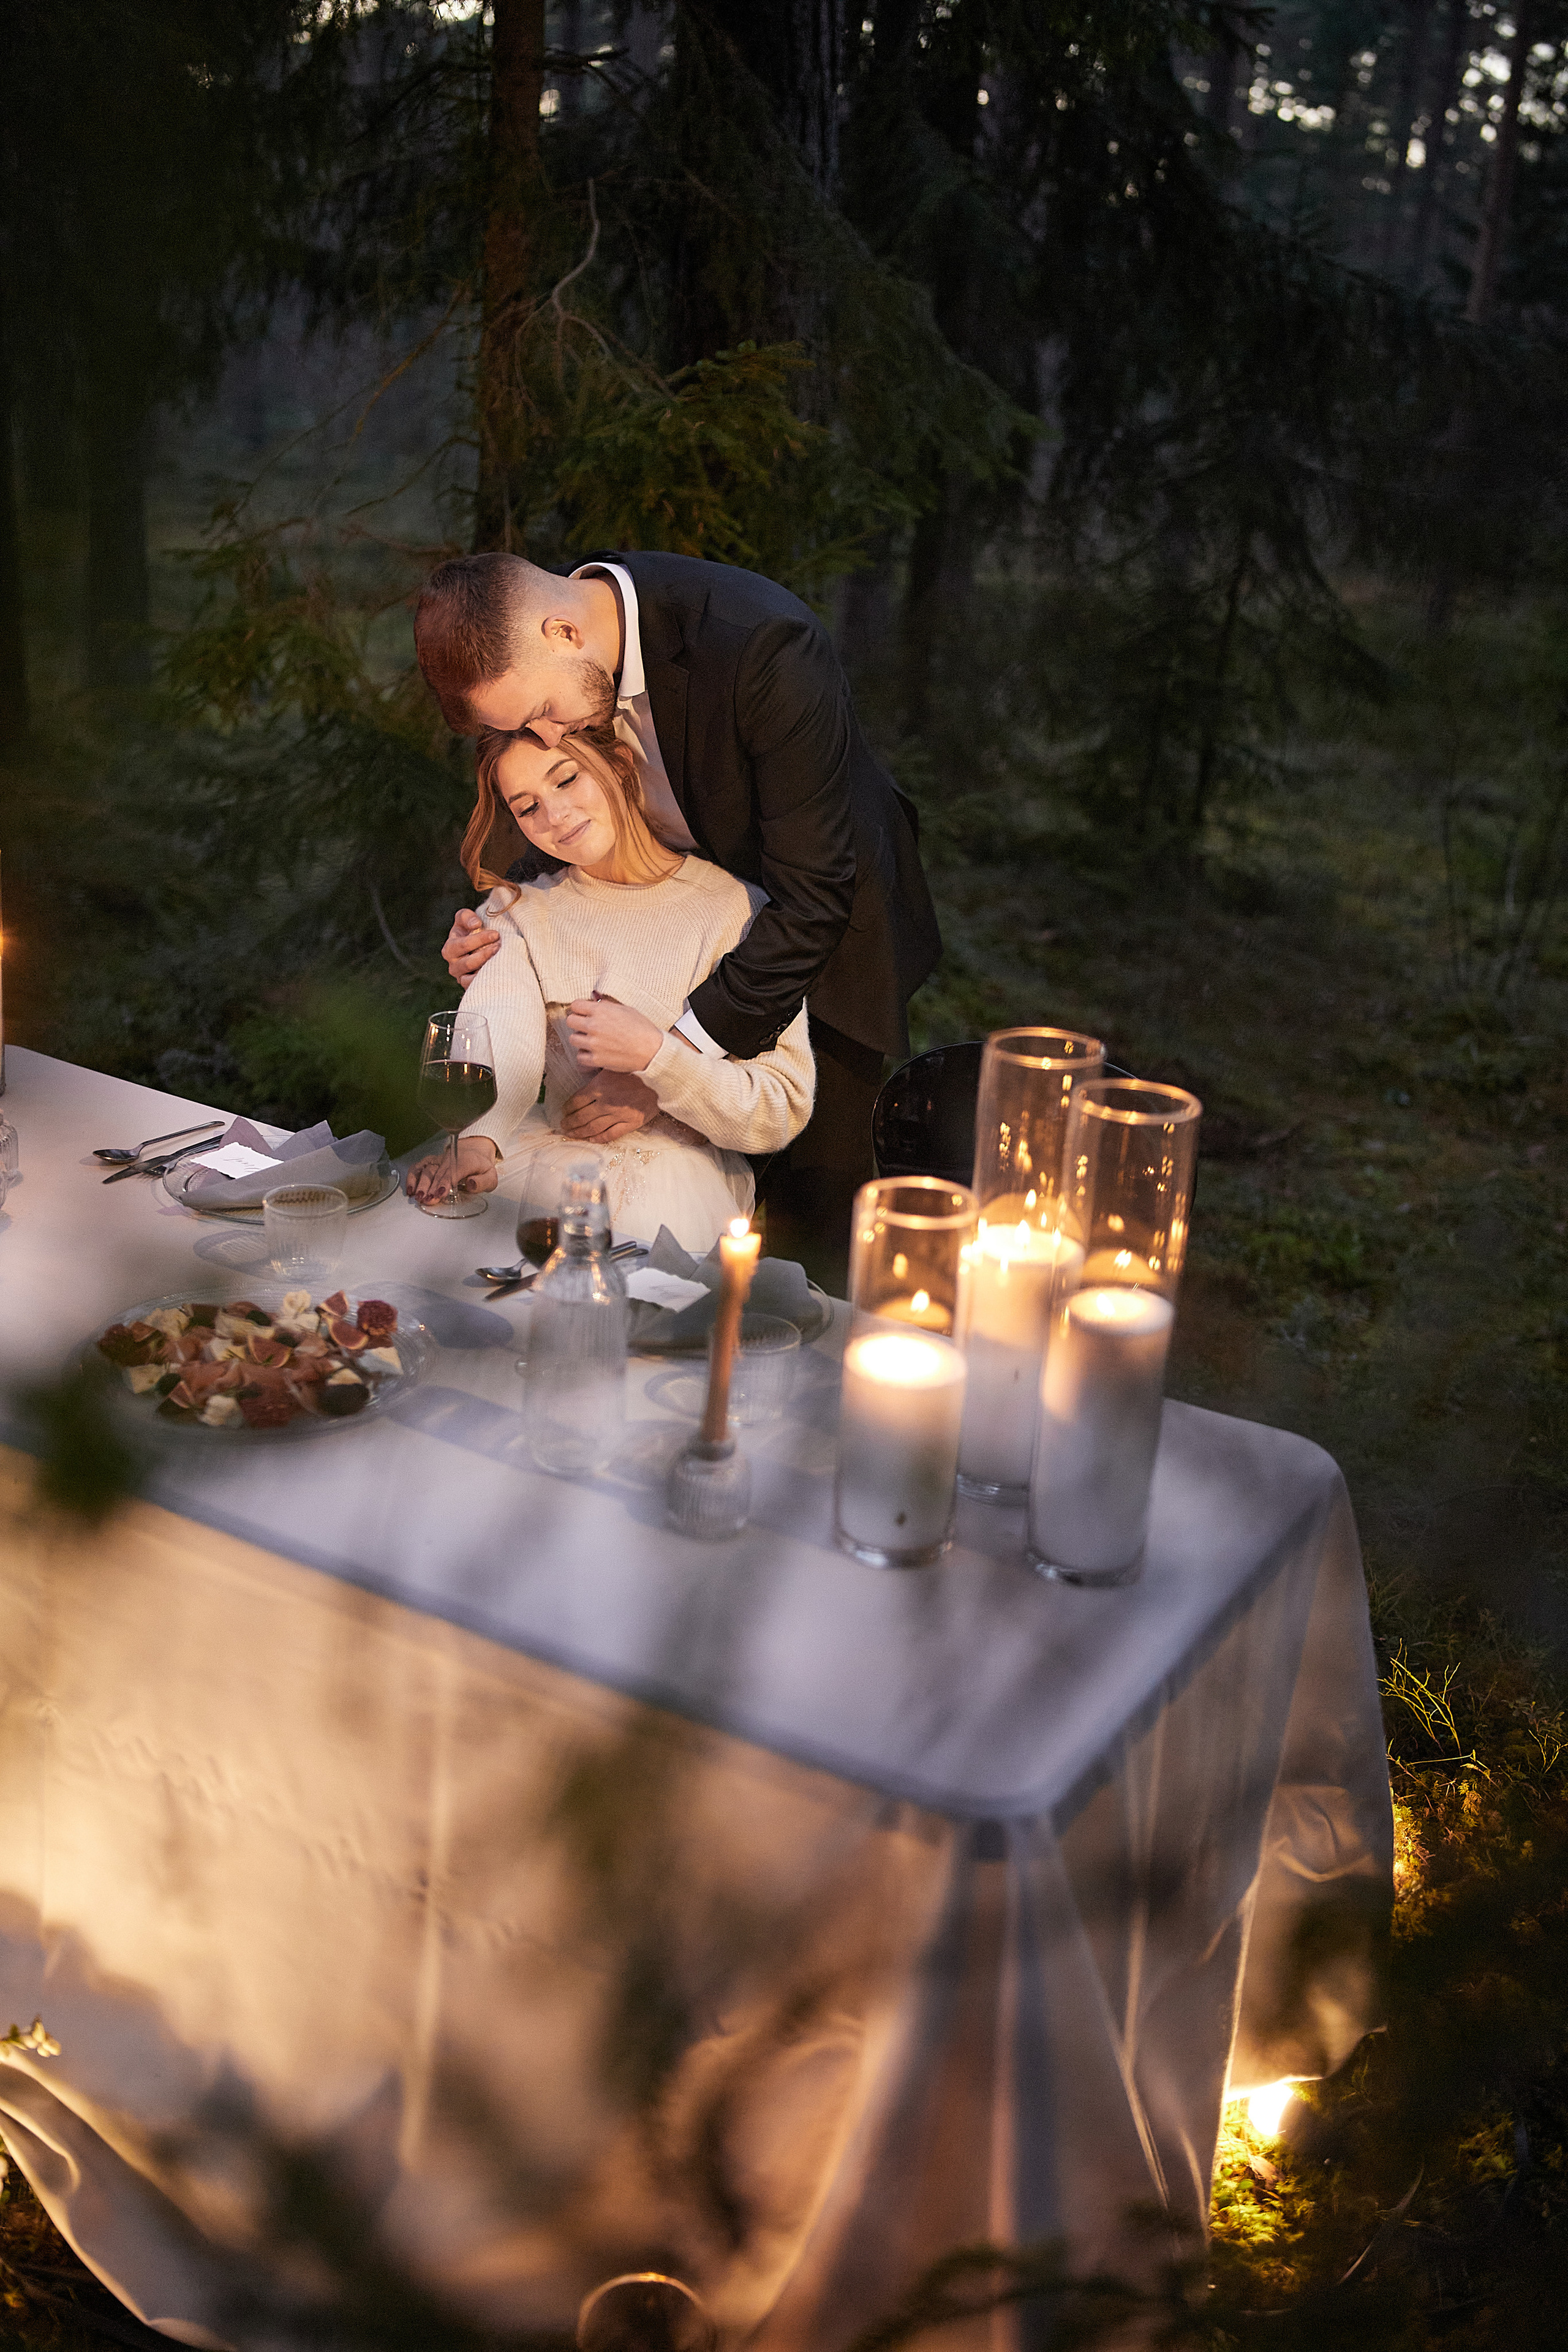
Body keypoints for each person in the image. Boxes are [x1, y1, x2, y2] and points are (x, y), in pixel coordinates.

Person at [414, 549, 940, 1232]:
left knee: (812, 1210)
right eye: (522, 728)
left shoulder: (764, 647)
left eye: (542, 712)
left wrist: (663, 1063)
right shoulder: (555, 636)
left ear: (564, 633)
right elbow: (556, 799)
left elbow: (815, 898)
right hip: (668, 910)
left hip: (820, 927)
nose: (547, 735)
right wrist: (509, 920)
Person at [404, 723, 815, 1254]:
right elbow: (500, 1034)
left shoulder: (735, 910)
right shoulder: (520, 912)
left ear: (619, 764)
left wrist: (659, 1059)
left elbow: (779, 1108)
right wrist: (480, 1142)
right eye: (527, 808)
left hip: (672, 1194)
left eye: (567, 779)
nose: (555, 815)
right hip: (538, 1164)